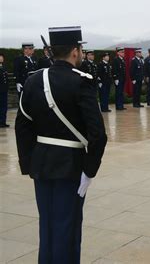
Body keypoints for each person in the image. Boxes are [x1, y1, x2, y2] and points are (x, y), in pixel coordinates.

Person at [15, 26, 107, 264]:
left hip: (42, 164)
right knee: (68, 228)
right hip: (71, 165)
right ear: (75, 52)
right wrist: (89, 170)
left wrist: (29, 163)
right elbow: (97, 134)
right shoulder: (81, 82)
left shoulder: (34, 80)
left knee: (47, 226)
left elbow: (22, 125)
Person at [0, 53, 9, 128]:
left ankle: (3, 121)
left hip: (4, 90)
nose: (1, 59)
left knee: (4, 106)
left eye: (2, 57)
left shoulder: (4, 67)